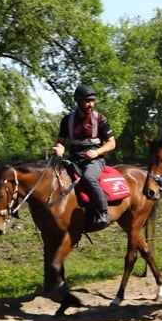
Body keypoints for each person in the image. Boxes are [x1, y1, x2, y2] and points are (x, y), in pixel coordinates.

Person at [52, 84, 116, 230]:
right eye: (87, 101)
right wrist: (58, 149)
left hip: (94, 161)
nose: (90, 104)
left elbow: (112, 143)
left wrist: (97, 152)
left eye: (92, 101)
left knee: (89, 178)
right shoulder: (67, 120)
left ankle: (102, 213)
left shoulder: (100, 119)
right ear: (78, 101)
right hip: (73, 160)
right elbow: (60, 142)